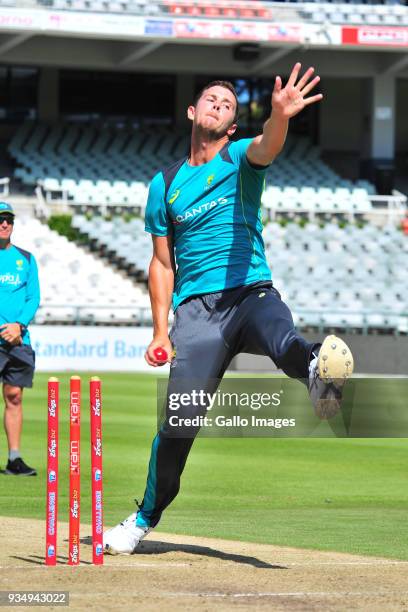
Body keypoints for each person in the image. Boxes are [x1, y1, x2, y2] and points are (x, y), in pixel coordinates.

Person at [104, 64, 354, 554]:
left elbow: (268, 145)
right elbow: (161, 264)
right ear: (192, 112)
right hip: (197, 315)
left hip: (249, 292)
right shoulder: (164, 185)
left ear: (233, 126)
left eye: (229, 105)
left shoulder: (240, 158)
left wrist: (280, 116)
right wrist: (160, 331)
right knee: (177, 428)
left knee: (282, 337)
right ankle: (142, 519)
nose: (219, 105)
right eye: (212, 100)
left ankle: (315, 370)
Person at [0, 202, 40, 476]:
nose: (4, 224)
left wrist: (18, 325)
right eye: (0, 219)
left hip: (18, 339)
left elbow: (33, 297)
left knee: (14, 396)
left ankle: (14, 459)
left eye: (8, 219)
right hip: (6, 334)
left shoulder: (25, 258)